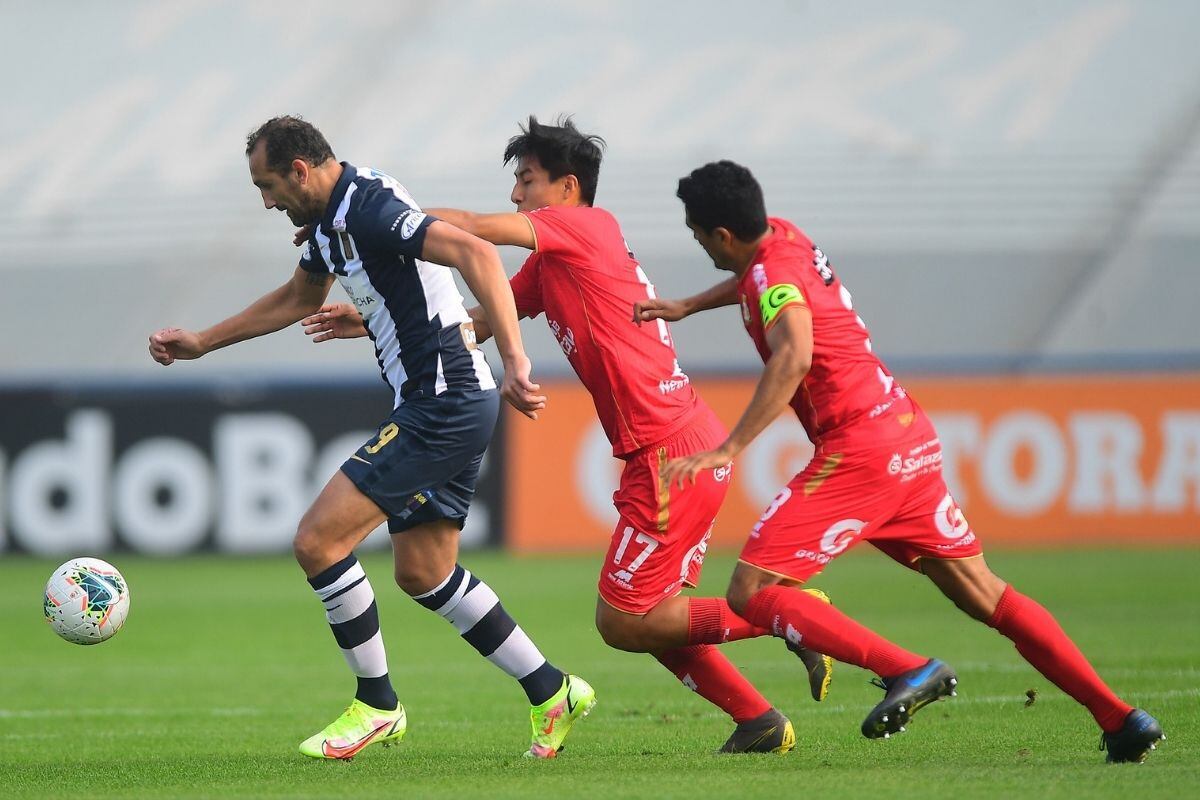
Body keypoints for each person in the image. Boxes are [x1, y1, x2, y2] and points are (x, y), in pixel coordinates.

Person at [300, 116, 833, 754]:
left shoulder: (585, 227)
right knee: (649, 618)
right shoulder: (554, 264)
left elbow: (465, 226)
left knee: (624, 619)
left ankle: (793, 618)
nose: (517, 195)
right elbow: (472, 321)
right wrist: (371, 318)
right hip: (669, 445)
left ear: (568, 187)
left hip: (670, 451)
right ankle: (758, 720)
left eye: (526, 180)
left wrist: (364, 214)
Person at [635, 159, 1165, 763]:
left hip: (861, 451)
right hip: (906, 434)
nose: (698, 242)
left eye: (697, 233)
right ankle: (1121, 718)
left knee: (750, 590)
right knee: (986, 594)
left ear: (721, 235)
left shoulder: (771, 276)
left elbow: (794, 355)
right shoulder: (783, 237)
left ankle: (907, 670)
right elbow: (762, 280)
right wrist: (688, 305)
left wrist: (729, 447)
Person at [147, 115, 595, 761]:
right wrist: (203, 342)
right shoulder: (338, 216)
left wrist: (519, 361)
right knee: (424, 571)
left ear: (300, 170)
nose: (267, 202)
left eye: (268, 185)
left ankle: (378, 705)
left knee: (317, 540)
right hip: (445, 398)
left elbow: (477, 253)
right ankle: (552, 690)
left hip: (443, 399)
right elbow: (300, 295)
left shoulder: (367, 206)